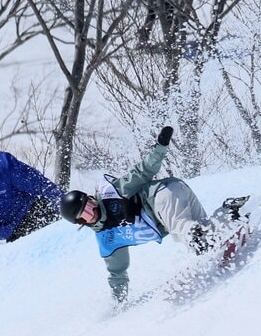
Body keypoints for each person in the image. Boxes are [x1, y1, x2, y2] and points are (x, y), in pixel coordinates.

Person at [59, 124, 218, 303]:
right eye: (86, 214)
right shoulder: (107, 240)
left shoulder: (114, 193)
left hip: (163, 194)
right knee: (203, 229)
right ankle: (222, 224)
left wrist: (161, 147)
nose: (92, 212)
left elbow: (143, 171)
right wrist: (120, 306)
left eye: (90, 205)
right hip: (177, 195)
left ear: (92, 198)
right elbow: (117, 274)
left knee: (182, 228)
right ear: (82, 222)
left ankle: (197, 238)